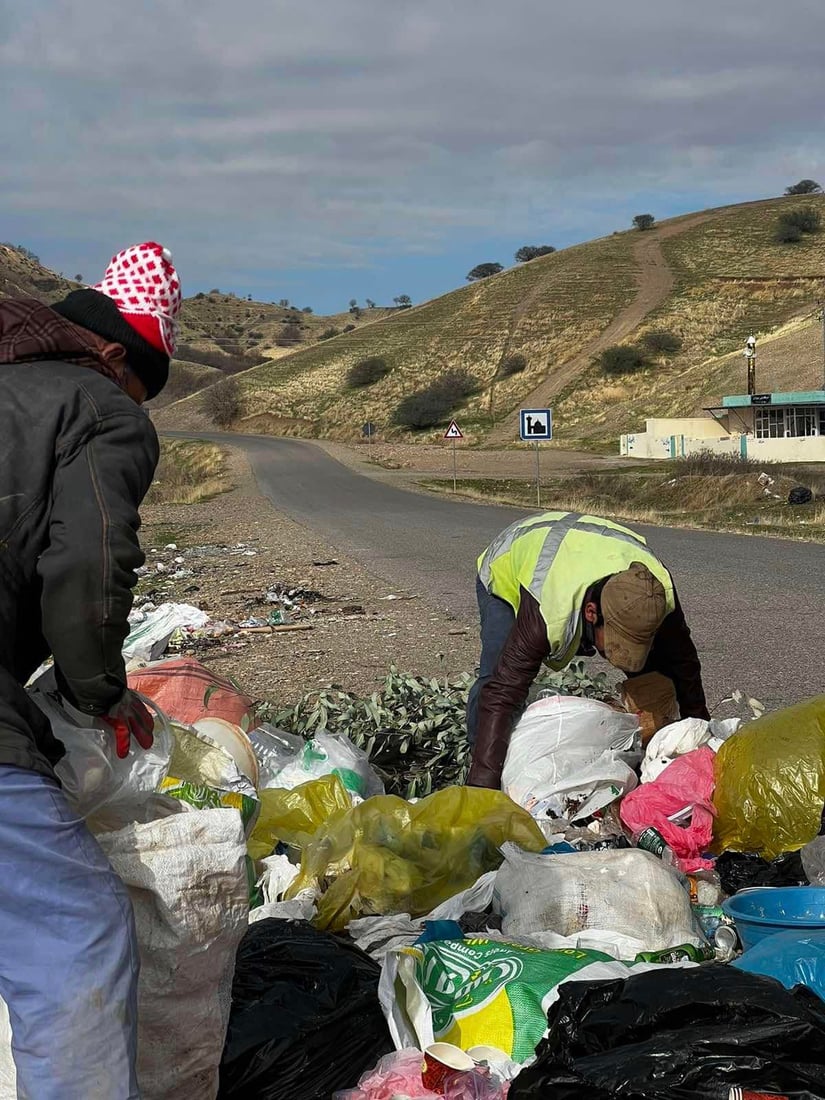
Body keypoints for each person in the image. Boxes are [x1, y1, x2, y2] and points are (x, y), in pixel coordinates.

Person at [0, 242, 182, 1098]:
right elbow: (90, 565)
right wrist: (99, 694)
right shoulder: (94, 405)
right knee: (75, 930)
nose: (135, 412)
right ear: (112, 357)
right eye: (138, 393)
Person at [466, 511, 708, 789]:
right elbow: (503, 693)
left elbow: (683, 661)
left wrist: (698, 733)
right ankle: (477, 758)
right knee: (496, 676)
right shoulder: (547, 613)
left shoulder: (653, 594)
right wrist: (483, 788)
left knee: (652, 677)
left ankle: (649, 758)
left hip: (587, 546)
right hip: (507, 565)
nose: (622, 656)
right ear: (592, 613)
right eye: (618, 643)